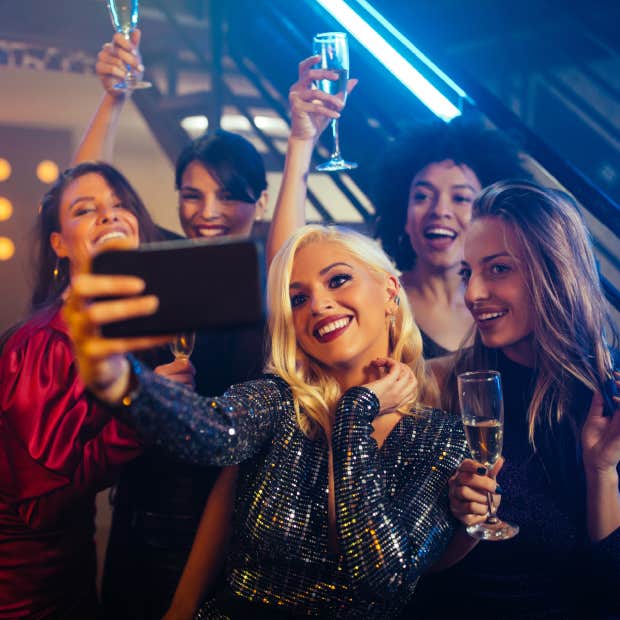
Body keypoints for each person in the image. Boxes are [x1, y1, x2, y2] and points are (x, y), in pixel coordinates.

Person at [63, 224, 471, 618]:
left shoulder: (443, 438)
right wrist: (122, 380)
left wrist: (354, 412)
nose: (319, 304)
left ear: (389, 291)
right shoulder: (278, 400)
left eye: (338, 280)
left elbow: (383, 576)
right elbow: (211, 432)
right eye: (297, 298)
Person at [73, 31, 270, 620]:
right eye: (191, 195)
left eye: (228, 196)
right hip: (144, 506)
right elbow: (88, 187)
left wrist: (305, 135)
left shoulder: (270, 280)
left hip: (231, 516)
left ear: (259, 202)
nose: (207, 212)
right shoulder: (162, 264)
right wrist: (112, 99)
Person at [420, 180, 620, 619]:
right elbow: (415, 575)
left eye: (498, 269)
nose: (472, 294)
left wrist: (600, 472)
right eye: (468, 272)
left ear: (554, 269)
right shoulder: (447, 387)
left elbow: (609, 593)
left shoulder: (609, 397)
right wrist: (460, 524)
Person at [266, 54, 529, 360]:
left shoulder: (506, 303)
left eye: (460, 198)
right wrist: (302, 141)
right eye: (422, 196)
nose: (439, 210)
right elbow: (287, 270)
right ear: (402, 215)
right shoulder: (379, 297)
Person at [0, 162, 169, 619]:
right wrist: (144, 411)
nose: (110, 216)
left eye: (119, 205)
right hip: (25, 594)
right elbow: (40, 506)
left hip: (72, 578)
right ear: (59, 244)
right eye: (85, 210)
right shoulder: (42, 342)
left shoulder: (131, 327)